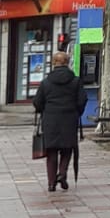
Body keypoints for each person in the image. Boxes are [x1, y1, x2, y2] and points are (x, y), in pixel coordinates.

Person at [32, 50, 82, 194]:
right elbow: (81, 101)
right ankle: (62, 173)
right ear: (67, 63)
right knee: (67, 149)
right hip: (69, 119)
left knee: (52, 151)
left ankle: (51, 183)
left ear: (54, 63)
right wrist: (76, 112)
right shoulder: (75, 81)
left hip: (50, 120)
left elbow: (37, 102)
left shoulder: (46, 83)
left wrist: (45, 111)